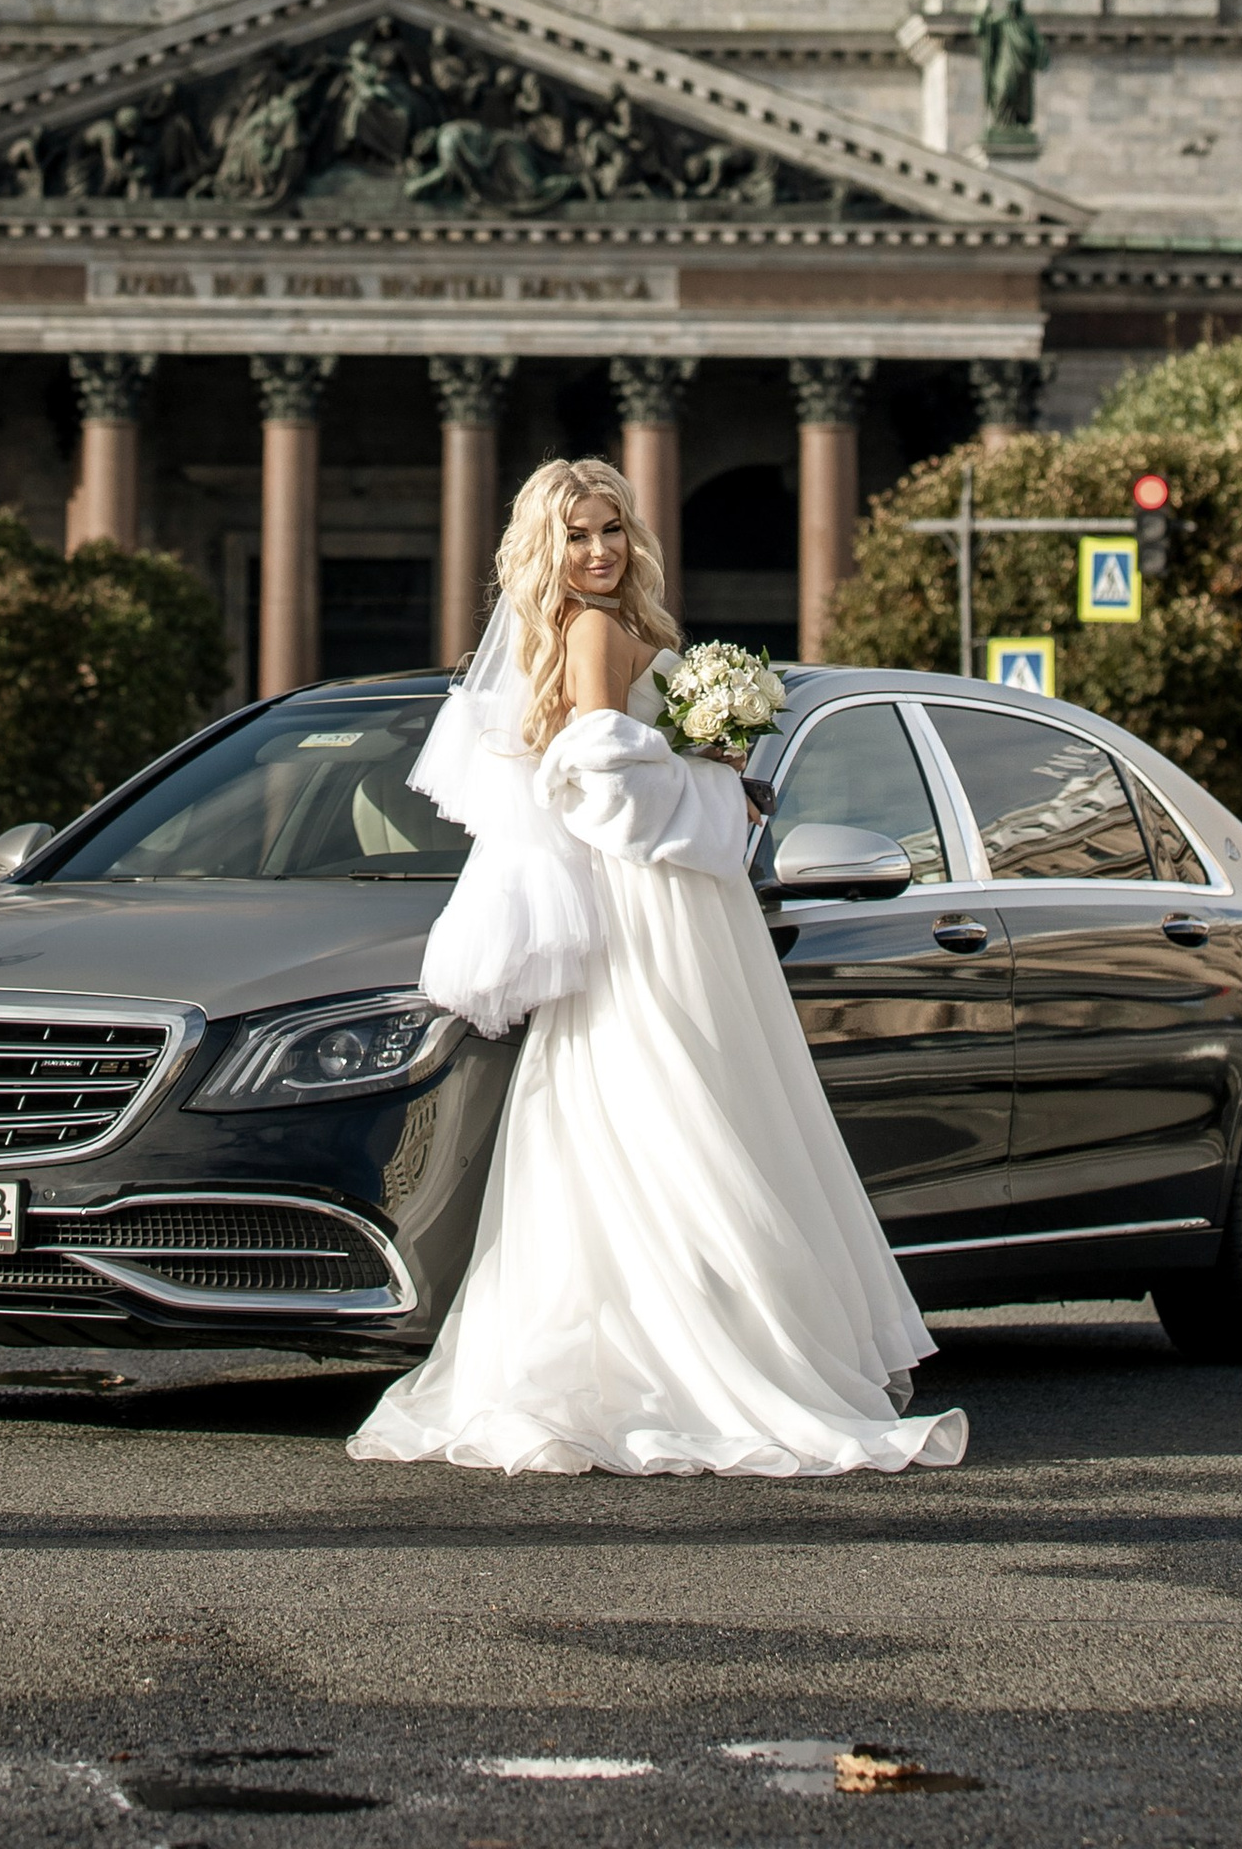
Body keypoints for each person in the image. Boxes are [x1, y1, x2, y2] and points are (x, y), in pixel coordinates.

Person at [348, 457, 967, 1483]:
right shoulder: (592, 632)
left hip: (665, 904)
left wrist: (707, 766)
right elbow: (597, 781)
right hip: (652, 907)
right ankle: (703, 1362)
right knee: (687, 1112)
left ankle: (650, 1355)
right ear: (549, 549)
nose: (600, 551)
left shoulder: (605, 628)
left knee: (642, 1118)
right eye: (580, 534)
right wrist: (716, 783)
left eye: (613, 530)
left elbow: (609, 766)